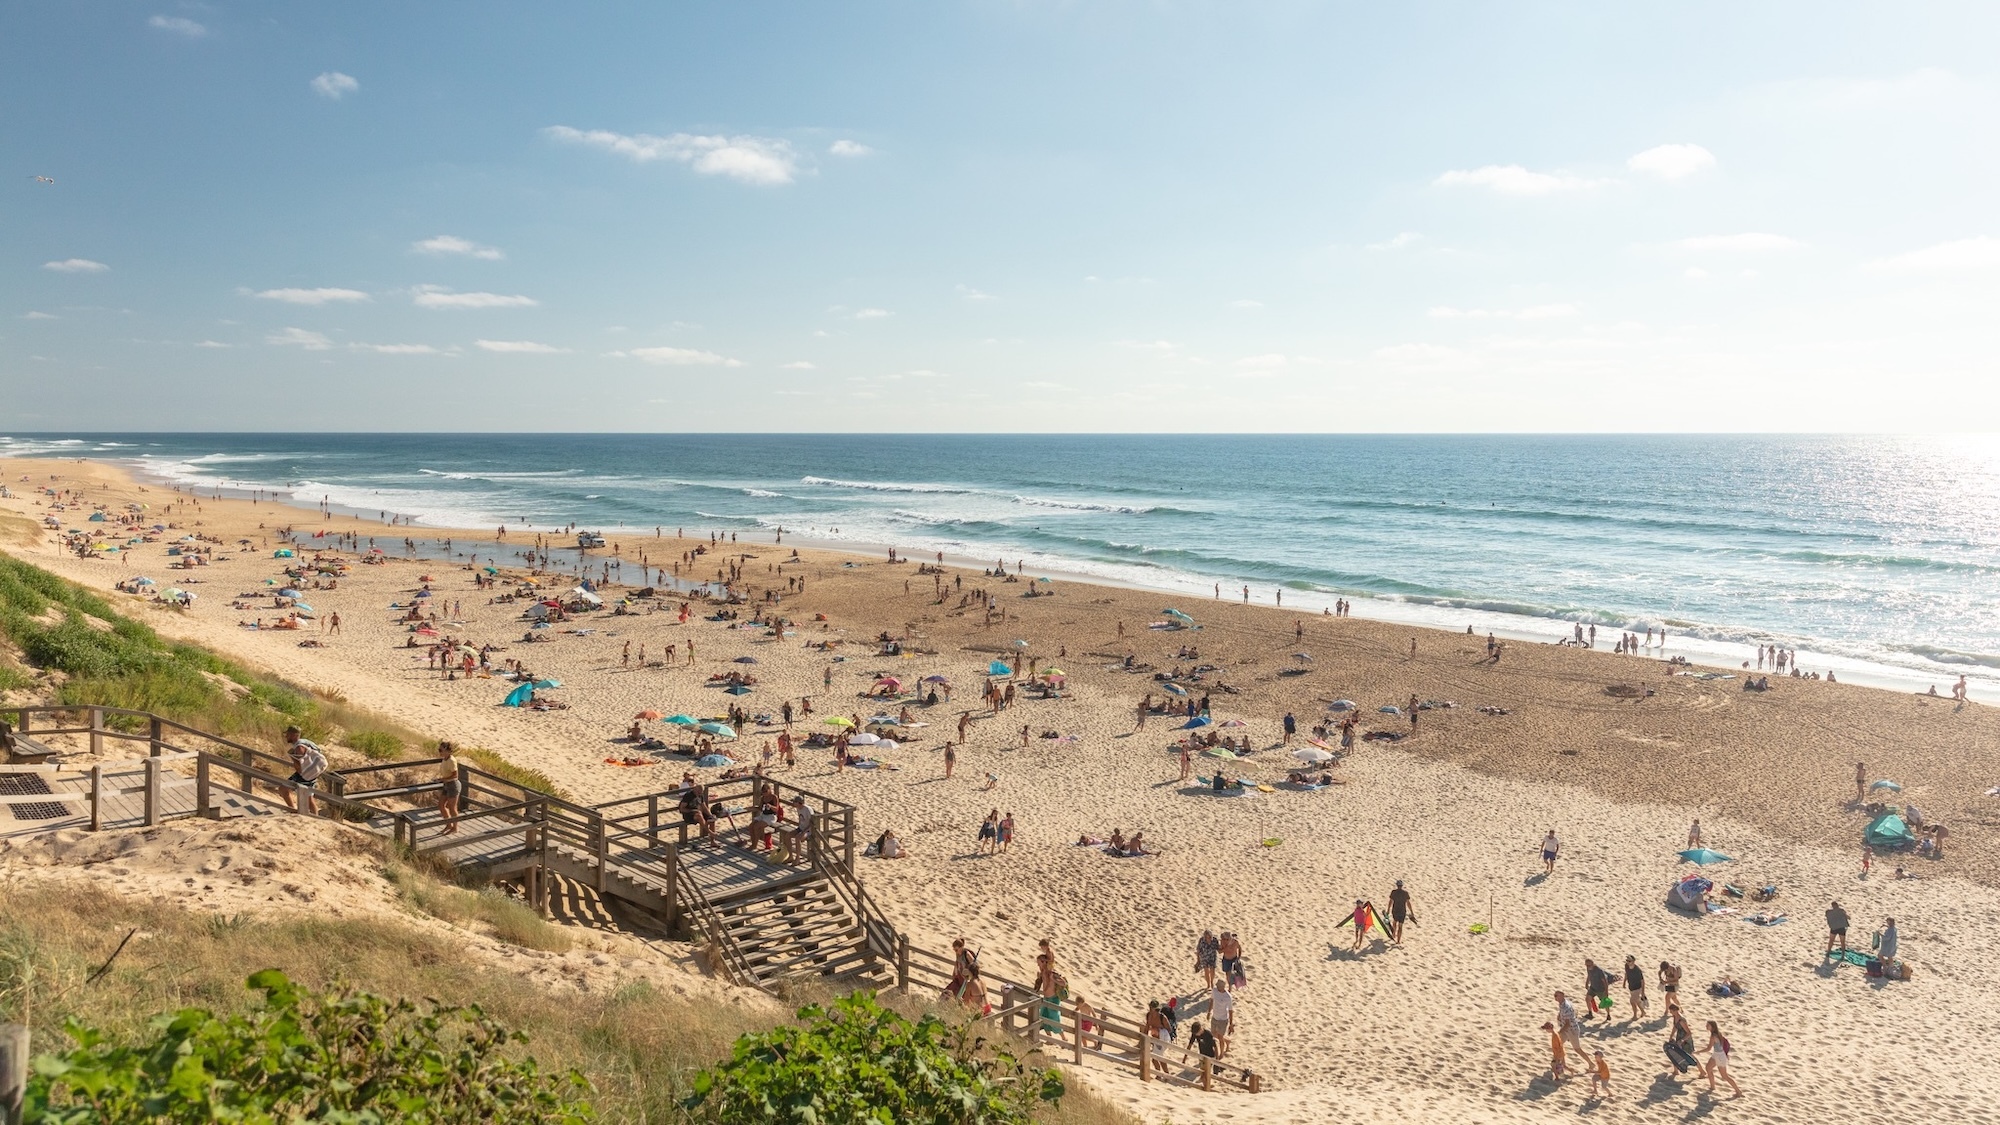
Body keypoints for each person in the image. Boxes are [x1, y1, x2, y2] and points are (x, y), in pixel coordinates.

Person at [281, 725, 326, 815]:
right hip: (313, 773)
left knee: (283, 789)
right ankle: (315, 817)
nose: (286, 736)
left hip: (305, 774)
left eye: (288, 734)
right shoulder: (306, 742)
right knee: (309, 798)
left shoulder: (299, 747)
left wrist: (292, 757)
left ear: (293, 735)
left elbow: (300, 766)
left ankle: (293, 811)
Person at [1703, 1021, 1742, 1097]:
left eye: (1708, 1025)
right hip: (1717, 1054)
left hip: (1720, 1056)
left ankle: (1738, 1091)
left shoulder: (1713, 1036)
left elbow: (1708, 1048)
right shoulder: (1718, 1033)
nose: (1706, 1026)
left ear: (1712, 1027)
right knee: (1708, 1068)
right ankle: (1712, 1086)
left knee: (1724, 1076)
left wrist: (1698, 1052)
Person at [434, 740, 462, 835]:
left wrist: (442, 779)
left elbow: (455, 776)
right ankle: (449, 824)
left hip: (453, 785)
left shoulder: (451, 760)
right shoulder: (445, 759)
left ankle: (455, 828)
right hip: (447, 784)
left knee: (452, 807)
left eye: (441, 750)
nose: (440, 752)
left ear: (447, 750)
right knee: (441, 805)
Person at [1663, 1007, 1697, 1077]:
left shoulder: (1682, 1020)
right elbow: (1675, 1027)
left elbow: (1689, 1033)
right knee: (1676, 1052)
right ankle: (1676, 1071)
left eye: (1671, 1011)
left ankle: (1702, 1071)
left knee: (1690, 1055)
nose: (1670, 1012)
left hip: (1685, 1039)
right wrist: (1671, 1036)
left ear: (1675, 1010)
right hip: (1679, 1037)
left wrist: (1682, 1040)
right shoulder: (1675, 1017)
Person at [1208, 980, 1234, 1056]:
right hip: (1215, 1017)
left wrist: (1231, 1023)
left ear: (1222, 987)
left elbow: (1230, 1010)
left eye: (1218, 986)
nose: (1217, 987)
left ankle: (1221, 1054)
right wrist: (1209, 1011)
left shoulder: (1228, 996)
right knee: (1213, 1034)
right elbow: (1211, 1000)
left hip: (1223, 1019)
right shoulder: (1214, 991)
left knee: (1220, 1037)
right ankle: (1227, 1041)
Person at [1388, 880, 1415, 944]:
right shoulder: (1405, 893)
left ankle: (1394, 933)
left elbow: (1390, 902)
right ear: (1402, 886)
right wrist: (1411, 912)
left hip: (1395, 910)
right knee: (1400, 926)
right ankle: (1398, 941)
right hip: (1402, 911)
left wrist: (1388, 910)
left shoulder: (1393, 892)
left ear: (1397, 885)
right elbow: (1408, 903)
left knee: (1394, 922)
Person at [1623, 955, 1649, 1020]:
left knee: (1632, 1001)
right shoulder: (1626, 966)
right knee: (1636, 1001)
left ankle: (1635, 1016)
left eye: (1629, 961)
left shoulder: (1637, 970)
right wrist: (1624, 982)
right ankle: (1643, 1012)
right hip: (1631, 987)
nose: (1628, 962)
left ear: (1633, 961)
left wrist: (1643, 992)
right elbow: (1626, 974)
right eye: (1627, 960)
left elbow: (1642, 981)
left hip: (1638, 988)